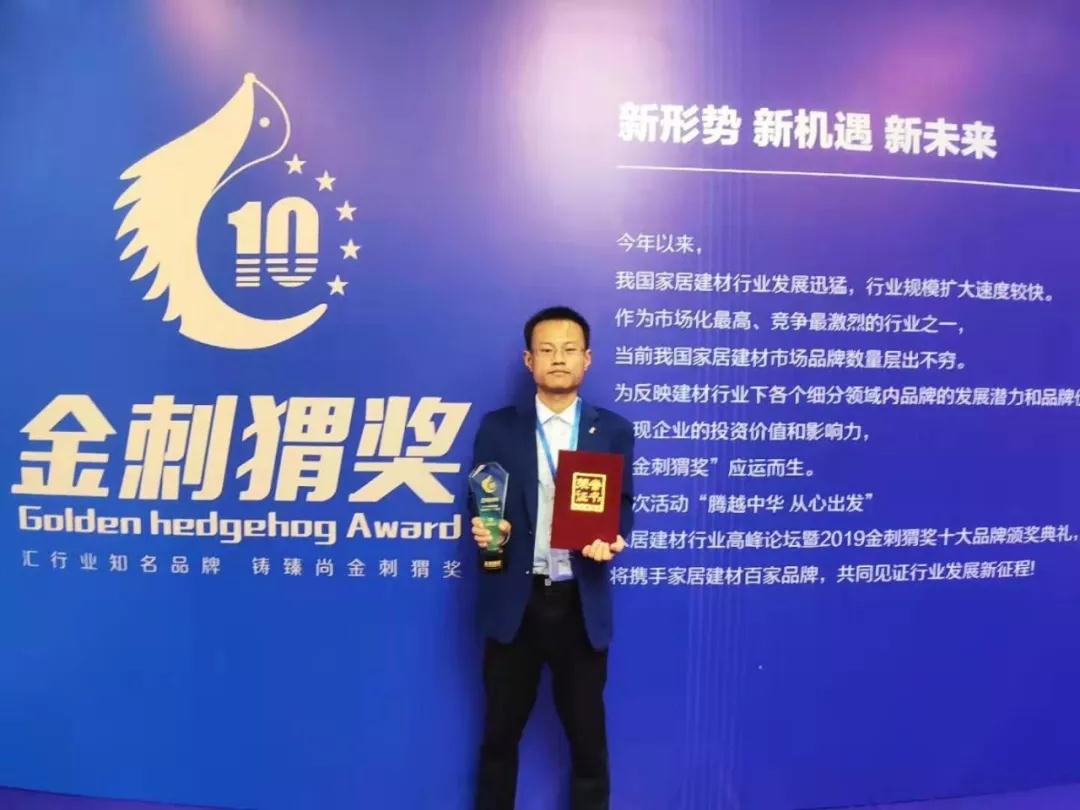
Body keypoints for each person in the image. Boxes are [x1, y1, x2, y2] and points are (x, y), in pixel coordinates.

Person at [469, 306, 634, 810]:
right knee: (499, 739)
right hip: (515, 603)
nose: (558, 359)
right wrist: (489, 526)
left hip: (579, 603)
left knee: (588, 744)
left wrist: (613, 538)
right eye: (546, 350)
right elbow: (482, 496)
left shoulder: (613, 430)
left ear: (587, 359)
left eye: (569, 349)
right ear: (529, 361)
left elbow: (622, 504)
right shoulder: (499, 427)